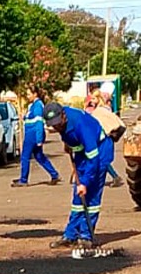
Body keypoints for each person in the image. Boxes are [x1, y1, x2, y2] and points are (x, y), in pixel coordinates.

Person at [44, 101, 113, 254]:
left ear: (63, 115)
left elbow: (93, 159)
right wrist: (68, 143)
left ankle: (86, 236)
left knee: (91, 196)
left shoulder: (81, 125)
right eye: (53, 125)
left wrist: (85, 183)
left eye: (58, 124)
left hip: (99, 153)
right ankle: (71, 235)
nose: (57, 127)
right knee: (77, 200)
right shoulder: (61, 120)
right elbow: (67, 134)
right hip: (82, 153)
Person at [11, 87, 60, 187]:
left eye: (29, 94)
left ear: (35, 94)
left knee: (25, 156)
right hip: (31, 134)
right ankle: (54, 174)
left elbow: (39, 123)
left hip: (32, 135)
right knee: (39, 156)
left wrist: (39, 138)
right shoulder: (33, 105)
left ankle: (23, 180)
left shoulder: (37, 106)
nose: (28, 96)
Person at [86, 95, 126, 188]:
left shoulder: (99, 111)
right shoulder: (99, 110)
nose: (92, 101)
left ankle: (114, 177)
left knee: (102, 160)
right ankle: (113, 177)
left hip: (106, 138)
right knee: (101, 160)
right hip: (105, 138)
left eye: (94, 98)